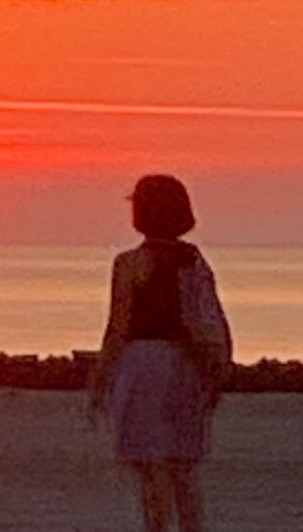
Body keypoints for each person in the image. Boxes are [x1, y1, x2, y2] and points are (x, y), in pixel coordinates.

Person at [91, 174, 232, 532]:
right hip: (188, 363)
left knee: (151, 467)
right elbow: (209, 319)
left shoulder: (129, 263)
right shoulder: (195, 261)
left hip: (144, 365)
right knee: (183, 467)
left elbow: (118, 327)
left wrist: (100, 378)